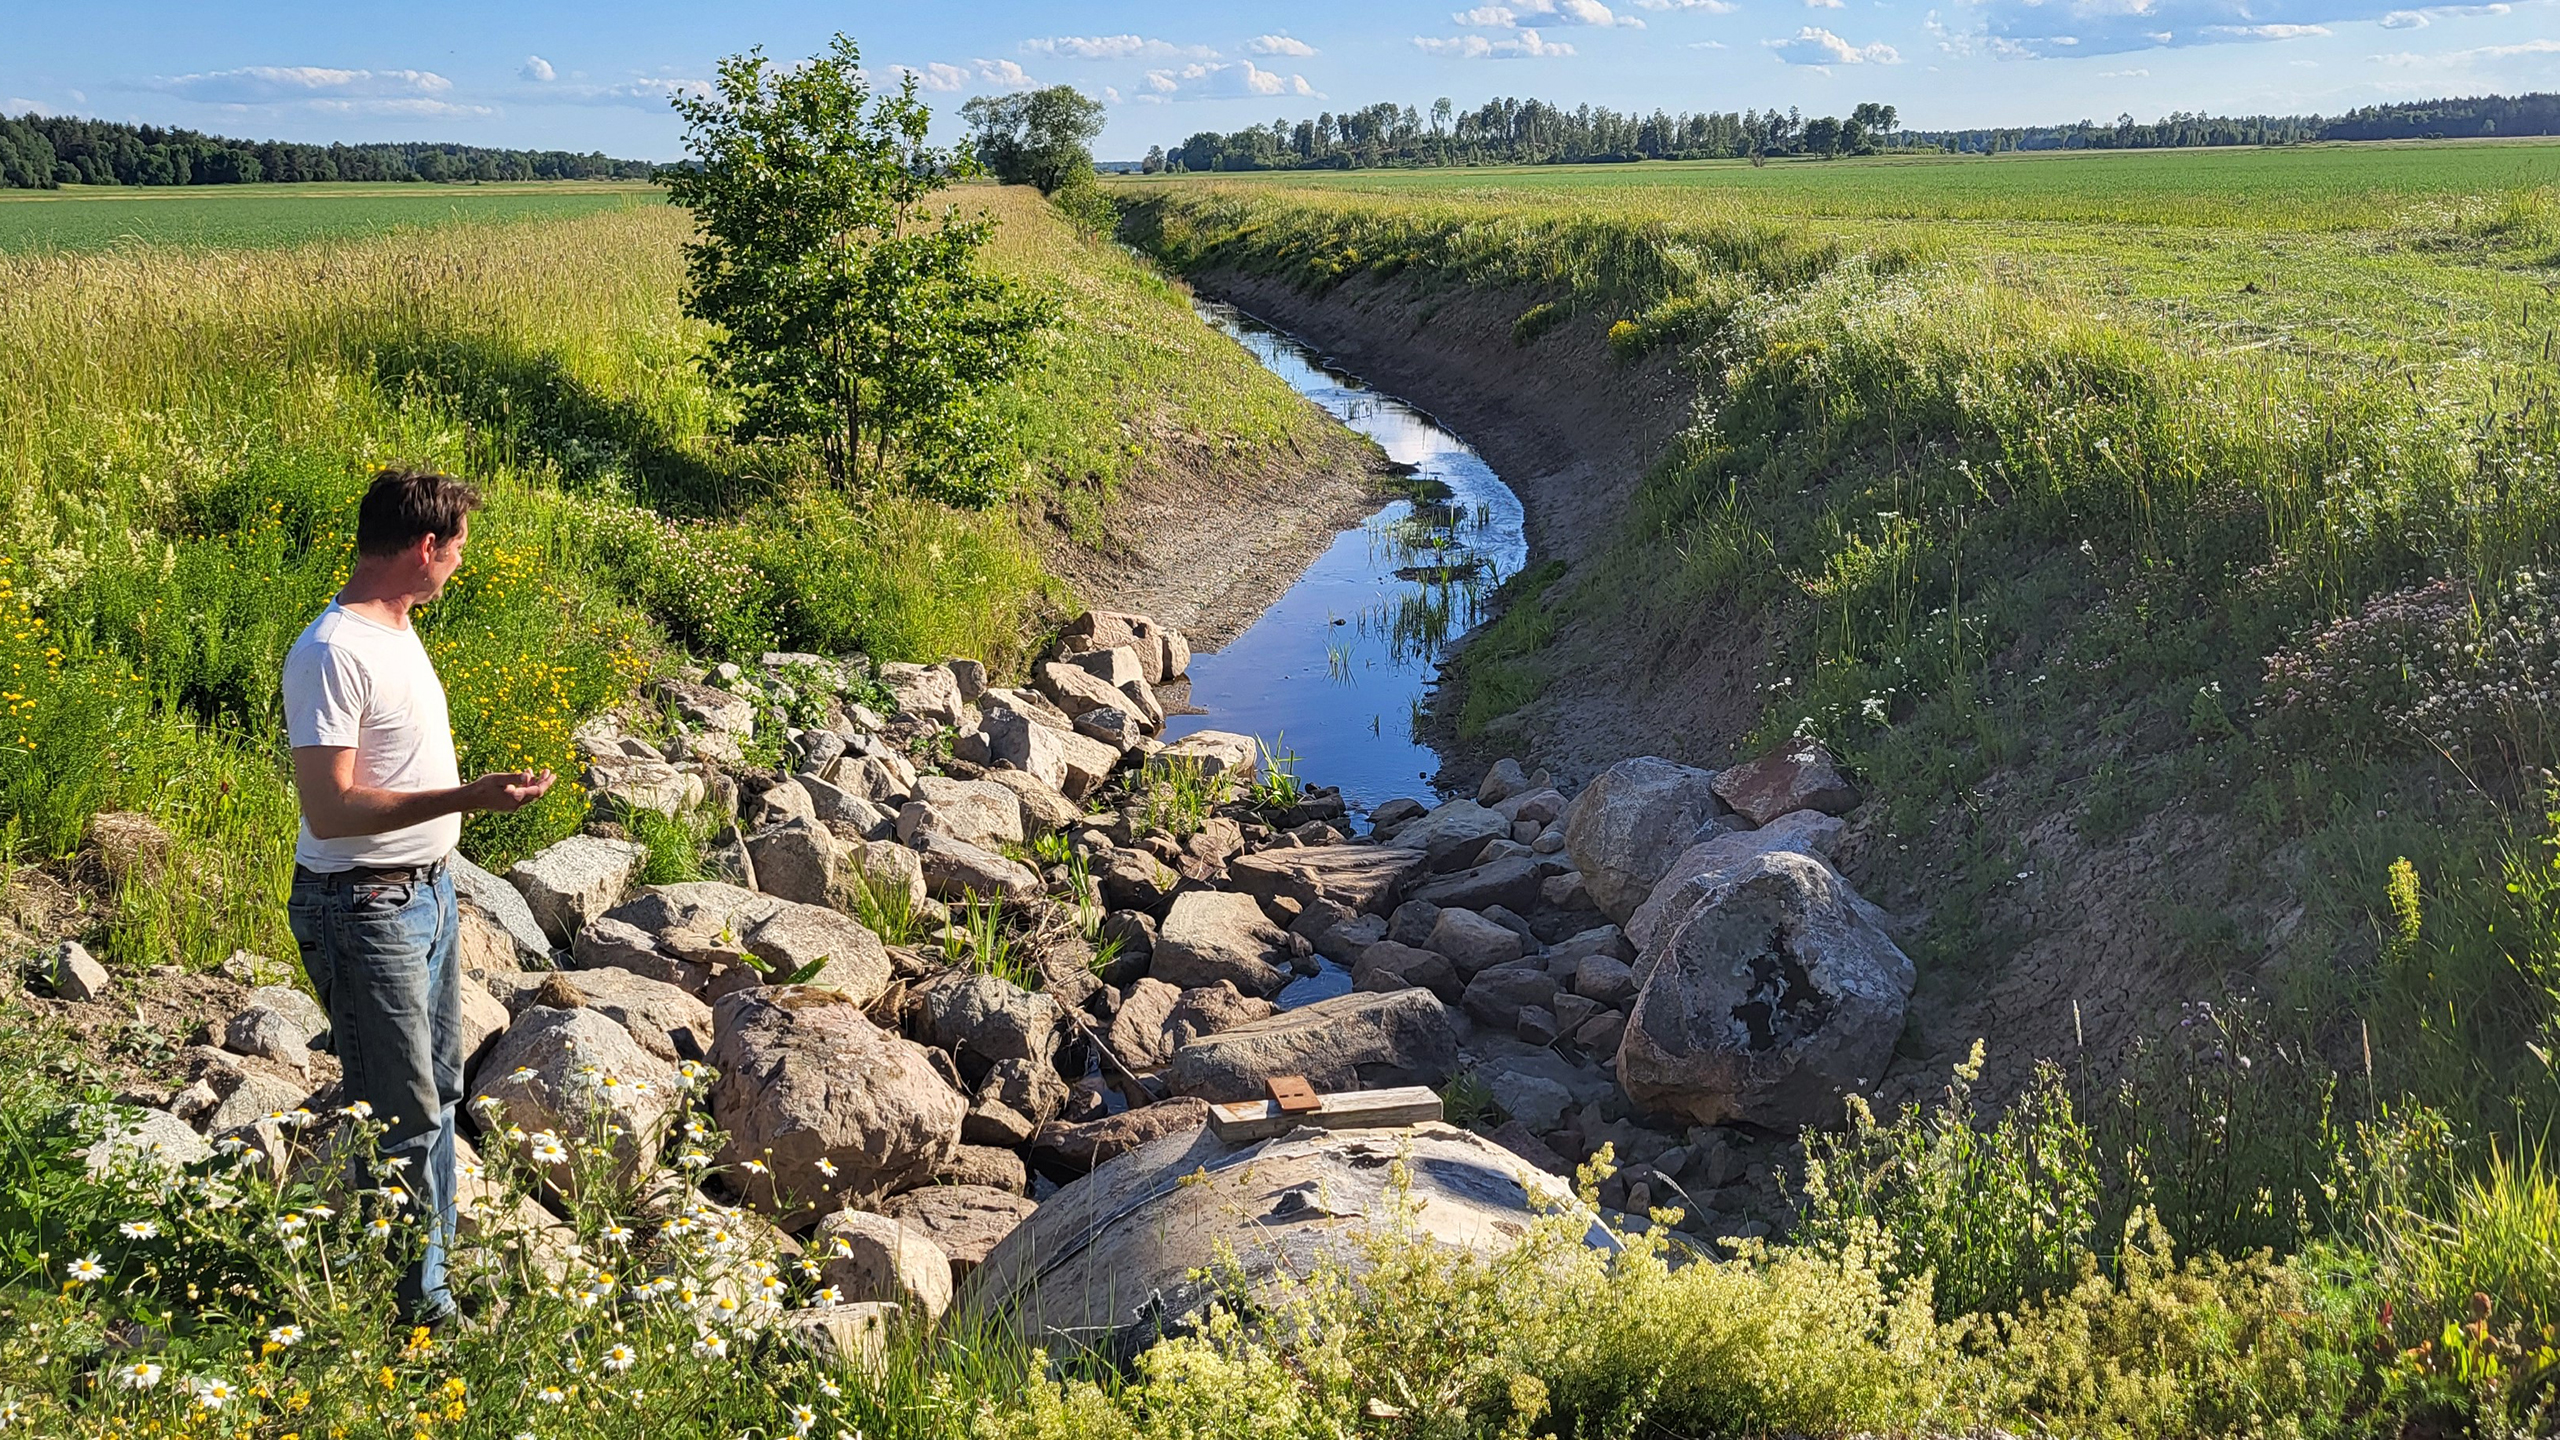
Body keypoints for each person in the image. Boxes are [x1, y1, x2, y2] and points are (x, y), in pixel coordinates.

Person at [282, 468, 556, 1323]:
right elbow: (329, 808)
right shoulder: (332, 651)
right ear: (424, 546)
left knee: (437, 1097)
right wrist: (467, 798)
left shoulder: (399, 629)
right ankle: (418, 1317)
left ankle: (428, 1280)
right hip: (365, 909)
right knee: (400, 1117)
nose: (462, 565)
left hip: (426, 899)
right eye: (459, 548)